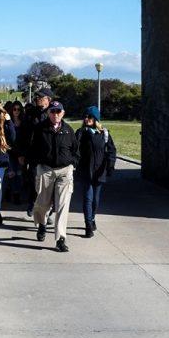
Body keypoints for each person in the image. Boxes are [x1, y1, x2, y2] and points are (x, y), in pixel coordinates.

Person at [30, 100, 78, 252]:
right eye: (53, 111)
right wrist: (37, 163)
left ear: (63, 113)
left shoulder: (68, 130)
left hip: (65, 171)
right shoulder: (40, 129)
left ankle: (60, 238)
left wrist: (73, 163)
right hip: (46, 169)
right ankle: (42, 224)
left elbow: (76, 151)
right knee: (42, 204)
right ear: (48, 113)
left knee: (63, 205)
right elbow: (32, 148)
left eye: (58, 112)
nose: (56, 114)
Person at [75, 105, 117, 238]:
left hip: (99, 171)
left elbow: (111, 151)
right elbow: (74, 149)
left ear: (96, 119)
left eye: (90, 117)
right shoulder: (80, 133)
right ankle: (88, 226)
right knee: (88, 198)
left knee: (95, 200)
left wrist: (110, 166)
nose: (87, 119)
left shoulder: (104, 134)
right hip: (85, 171)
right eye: (85, 116)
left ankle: (92, 218)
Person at [18, 88, 53, 216]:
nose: (38, 99)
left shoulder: (53, 113)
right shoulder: (30, 113)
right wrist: (21, 153)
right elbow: (22, 134)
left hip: (48, 155)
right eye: (37, 97)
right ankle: (32, 203)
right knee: (33, 180)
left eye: (41, 97)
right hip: (32, 154)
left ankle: (48, 211)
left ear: (48, 100)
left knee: (48, 185)